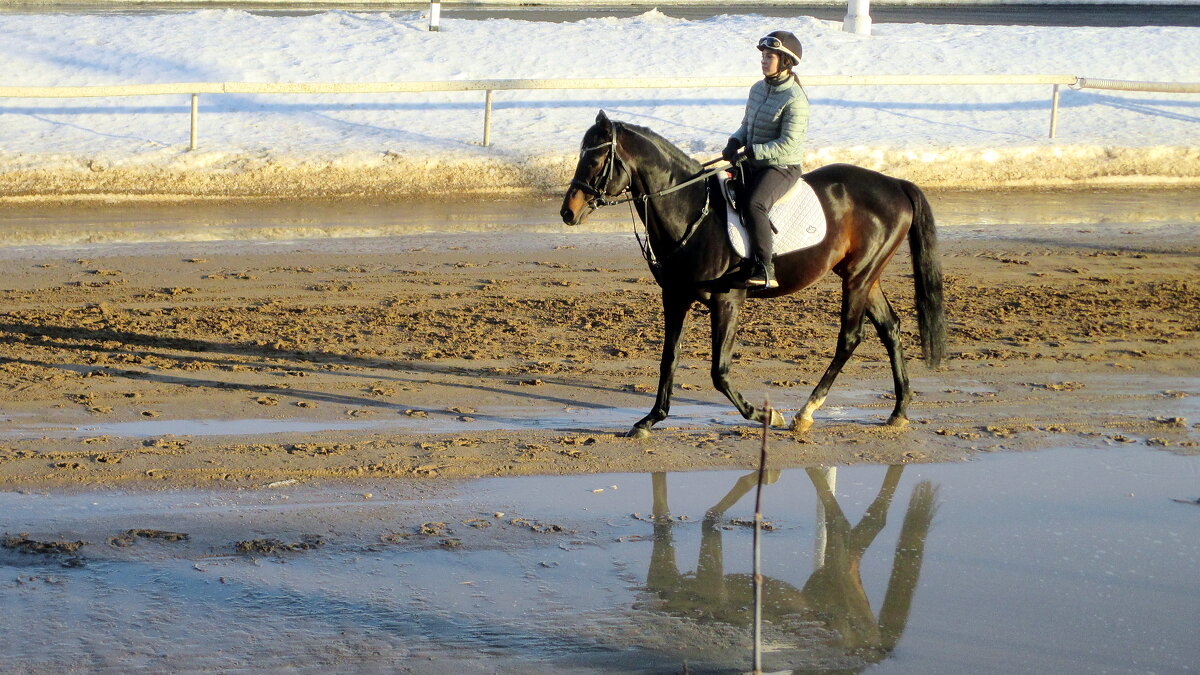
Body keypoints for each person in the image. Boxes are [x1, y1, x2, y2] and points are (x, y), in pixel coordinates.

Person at [722, 30, 809, 289]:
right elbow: (746, 125)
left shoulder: (796, 99)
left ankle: (765, 268)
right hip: (754, 160)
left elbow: (789, 143)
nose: (763, 61)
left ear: (785, 61)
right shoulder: (758, 89)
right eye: (763, 56)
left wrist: (754, 151)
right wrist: (735, 141)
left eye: (769, 56)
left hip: (782, 167)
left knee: (754, 203)